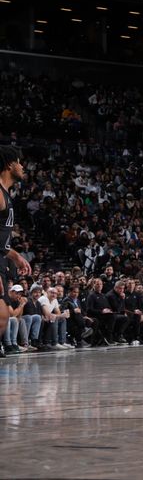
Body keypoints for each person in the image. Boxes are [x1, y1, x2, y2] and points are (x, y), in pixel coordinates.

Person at [0, 146, 32, 357]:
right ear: (10, 165)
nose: (22, 167)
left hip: (1, 259)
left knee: (3, 318)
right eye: (20, 162)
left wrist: (15, 255)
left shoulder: (6, 193)